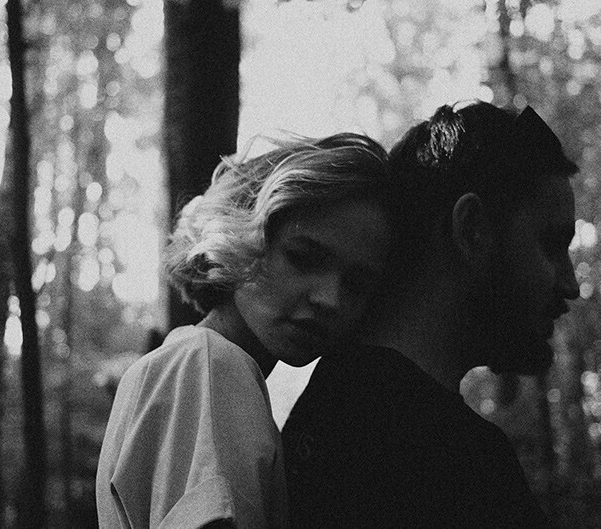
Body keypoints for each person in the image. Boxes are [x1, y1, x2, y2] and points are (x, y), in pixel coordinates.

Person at [283, 102, 580, 528]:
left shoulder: (339, 407)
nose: (571, 285)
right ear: (472, 230)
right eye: (551, 245)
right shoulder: (448, 462)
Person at [96, 133, 393, 528]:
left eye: (356, 284)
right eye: (303, 258)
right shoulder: (208, 365)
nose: (330, 299)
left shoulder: (196, 364)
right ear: (240, 236)